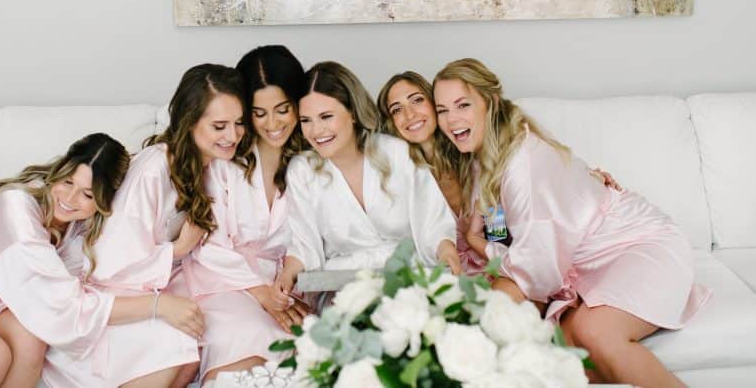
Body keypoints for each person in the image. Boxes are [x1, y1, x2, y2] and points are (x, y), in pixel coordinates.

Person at [433, 58, 710, 387]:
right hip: (581, 264)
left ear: (489, 102)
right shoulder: (486, 157)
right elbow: (506, 233)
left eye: (462, 105)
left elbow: (535, 269)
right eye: (442, 110)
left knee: (595, 332)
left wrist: (479, 244)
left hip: (637, 244)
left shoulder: (523, 164)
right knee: (561, 351)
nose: (452, 119)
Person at [0, 133, 201, 388]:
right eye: (68, 182)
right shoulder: (14, 208)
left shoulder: (78, 225)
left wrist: (175, 251)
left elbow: (105, 269)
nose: (70, 199)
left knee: (31, 337)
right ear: (58, 171)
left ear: (101, 203)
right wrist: (158, 306)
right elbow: (64, 306)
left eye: (87, 194)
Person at [47, 64, 250, 388]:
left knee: (195, 346)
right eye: (219, 126)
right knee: (175, 346)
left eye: (239, 123)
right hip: (103, 292)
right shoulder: (154, 169)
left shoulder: (209, 166)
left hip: (149, 283)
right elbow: (110, 265)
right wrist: (177, 250)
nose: (233, 135)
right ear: (189, 122)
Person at [377, 70, 623, 273]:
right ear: (391, 122)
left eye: (417, 100)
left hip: (499, 255)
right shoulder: (401, 176)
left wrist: (584, 178)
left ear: (436, 106)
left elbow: (501, 226)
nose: (409, 115)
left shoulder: (470, 151)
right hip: (449, 270)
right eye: (396, 109)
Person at [180, 45, 310, 384]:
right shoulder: (225, 160)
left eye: (282, 109)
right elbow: (208, 245)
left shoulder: (309, 165)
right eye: (259, 113)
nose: (273, 124)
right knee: (245, 337)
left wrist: (282, 290)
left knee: (308, 345)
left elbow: (310, 238)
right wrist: (261, 294)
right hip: (220, 283)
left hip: (282, 287)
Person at [278, 61, 460, 296]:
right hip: (342, 289)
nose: (316, 131)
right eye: (306, 121)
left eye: (326, 116)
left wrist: (447, 253)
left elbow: (433, 223)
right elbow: (303, 244)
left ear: (352, 113)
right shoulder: (302, 171)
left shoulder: (397, 153)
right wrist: (286, 275)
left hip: (409, 281)